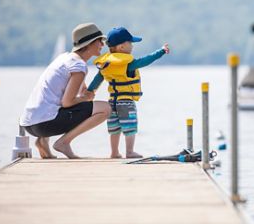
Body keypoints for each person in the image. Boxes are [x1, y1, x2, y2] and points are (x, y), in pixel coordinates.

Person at [20, 23, 112, 159]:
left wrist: (86, 94)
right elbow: (67, 102)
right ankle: (63, 143)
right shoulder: (79, 66)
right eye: (100, 41)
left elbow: (80, 90)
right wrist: (85, 98)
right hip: (44, 124)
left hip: (29, 124)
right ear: (89, 43)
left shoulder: (65, 58)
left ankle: (42, 141)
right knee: (105, 108)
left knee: (53, 104)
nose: (102, 45)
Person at [88, 27, 169, 159]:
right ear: (121, 47)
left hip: (112, 102)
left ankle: (114, 152)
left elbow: (96, 80)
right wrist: (161, 52)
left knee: (114, 128)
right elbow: (146, 60)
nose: (132, 46)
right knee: (130, 128)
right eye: (130, 43)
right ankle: (130, 151)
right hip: (126, 102)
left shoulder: (106, 65)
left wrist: (89, 92)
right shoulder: (128, 64)